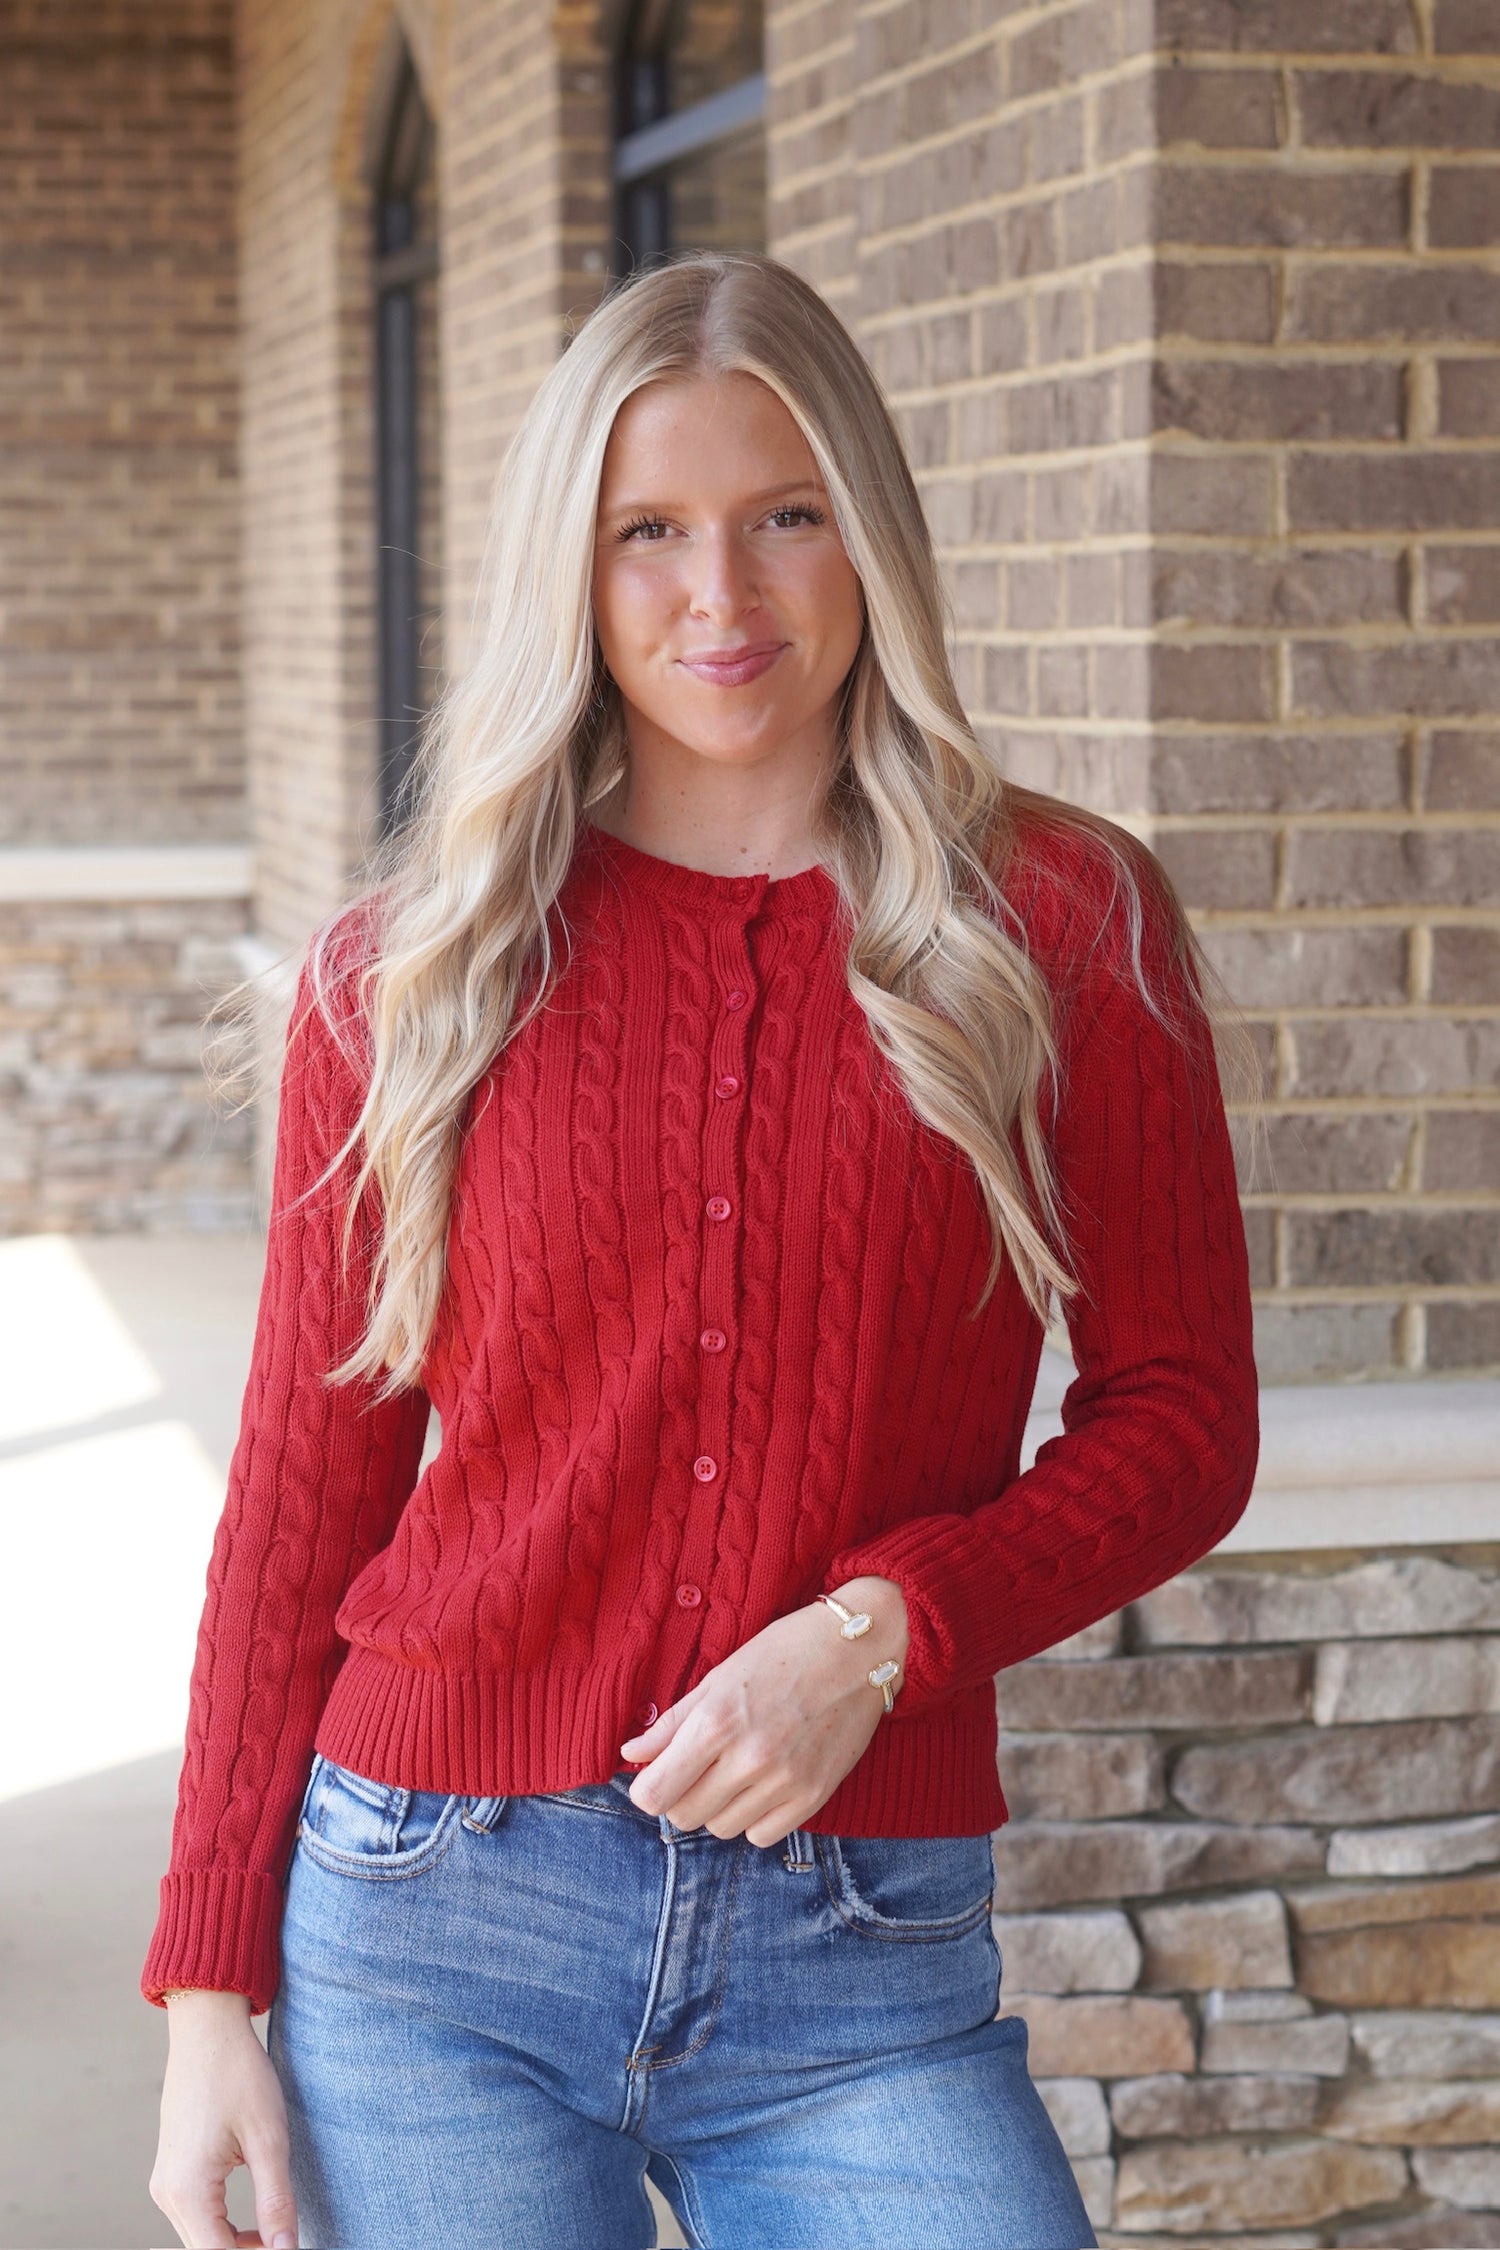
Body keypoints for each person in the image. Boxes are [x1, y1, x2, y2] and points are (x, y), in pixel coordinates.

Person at [144, 249, 1258, 2250]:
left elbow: (1183, 1420)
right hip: (429, 1932)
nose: (718, 599)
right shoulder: (409, 980)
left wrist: (885, 1626)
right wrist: (207, 1994)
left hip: (863, 1956)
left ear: (874, 539)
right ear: (567, 567)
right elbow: (308, 1502)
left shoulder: (1062, 927)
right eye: (647, 533)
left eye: (783, 519)